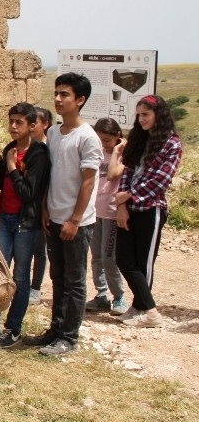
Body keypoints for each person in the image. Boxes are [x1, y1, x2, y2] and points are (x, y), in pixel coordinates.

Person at [26, 73, 102, 357]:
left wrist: (74, 219)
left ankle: (69, 337)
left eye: (65, 95)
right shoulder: (55, 134)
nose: (58, 99)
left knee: (74, 280)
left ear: (80, 100)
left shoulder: (88, 138)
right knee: (57, 277)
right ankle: (55, 330)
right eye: (56, 93)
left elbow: (87, 182)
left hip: (76, 223)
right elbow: (52, 174)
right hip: (54, 217)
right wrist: (46, 207)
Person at [115, 95, 183, 328]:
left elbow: (161, 180)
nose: (141, 119)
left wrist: (130, 196)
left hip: (150, 208)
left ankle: (147, 311)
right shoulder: (138, 140)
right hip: (129, 208)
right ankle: (143, 307)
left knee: (143, 262)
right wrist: (122, 204)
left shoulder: (172, 144)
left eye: (146, 115)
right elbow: (126, 171)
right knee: (123, 258)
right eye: (139, 115)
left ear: (158, 116)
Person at [0, 103, 51, 349]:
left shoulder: (39, 154)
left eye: (19, 123)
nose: (14, 127)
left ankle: (13, 328)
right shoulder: (9, 150)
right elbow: (2, 185)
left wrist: (14, 168)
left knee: (20, 277)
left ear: (32, 125)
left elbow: (28, 193)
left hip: (25, 222)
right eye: (11, 122)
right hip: (5, 218)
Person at [84, 118, 127, 315]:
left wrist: (117, 151)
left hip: (110, 211)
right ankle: (102, 295)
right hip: (95, 211)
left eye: (107, 140)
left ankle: (119, 296)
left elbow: (111, 176)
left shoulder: (123, 156)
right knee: (96, 257)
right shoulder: (96, 152)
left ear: (118, 136)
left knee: (109, 256)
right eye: (100, 140)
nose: (103, 144)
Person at [28, 107, 53, 305]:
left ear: (45, 124)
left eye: (34, 122)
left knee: (39, 249)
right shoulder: (24, 146)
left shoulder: (50, 147)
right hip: (26, 205)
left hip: (43, 205)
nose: (30, 126)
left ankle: (35, 288)